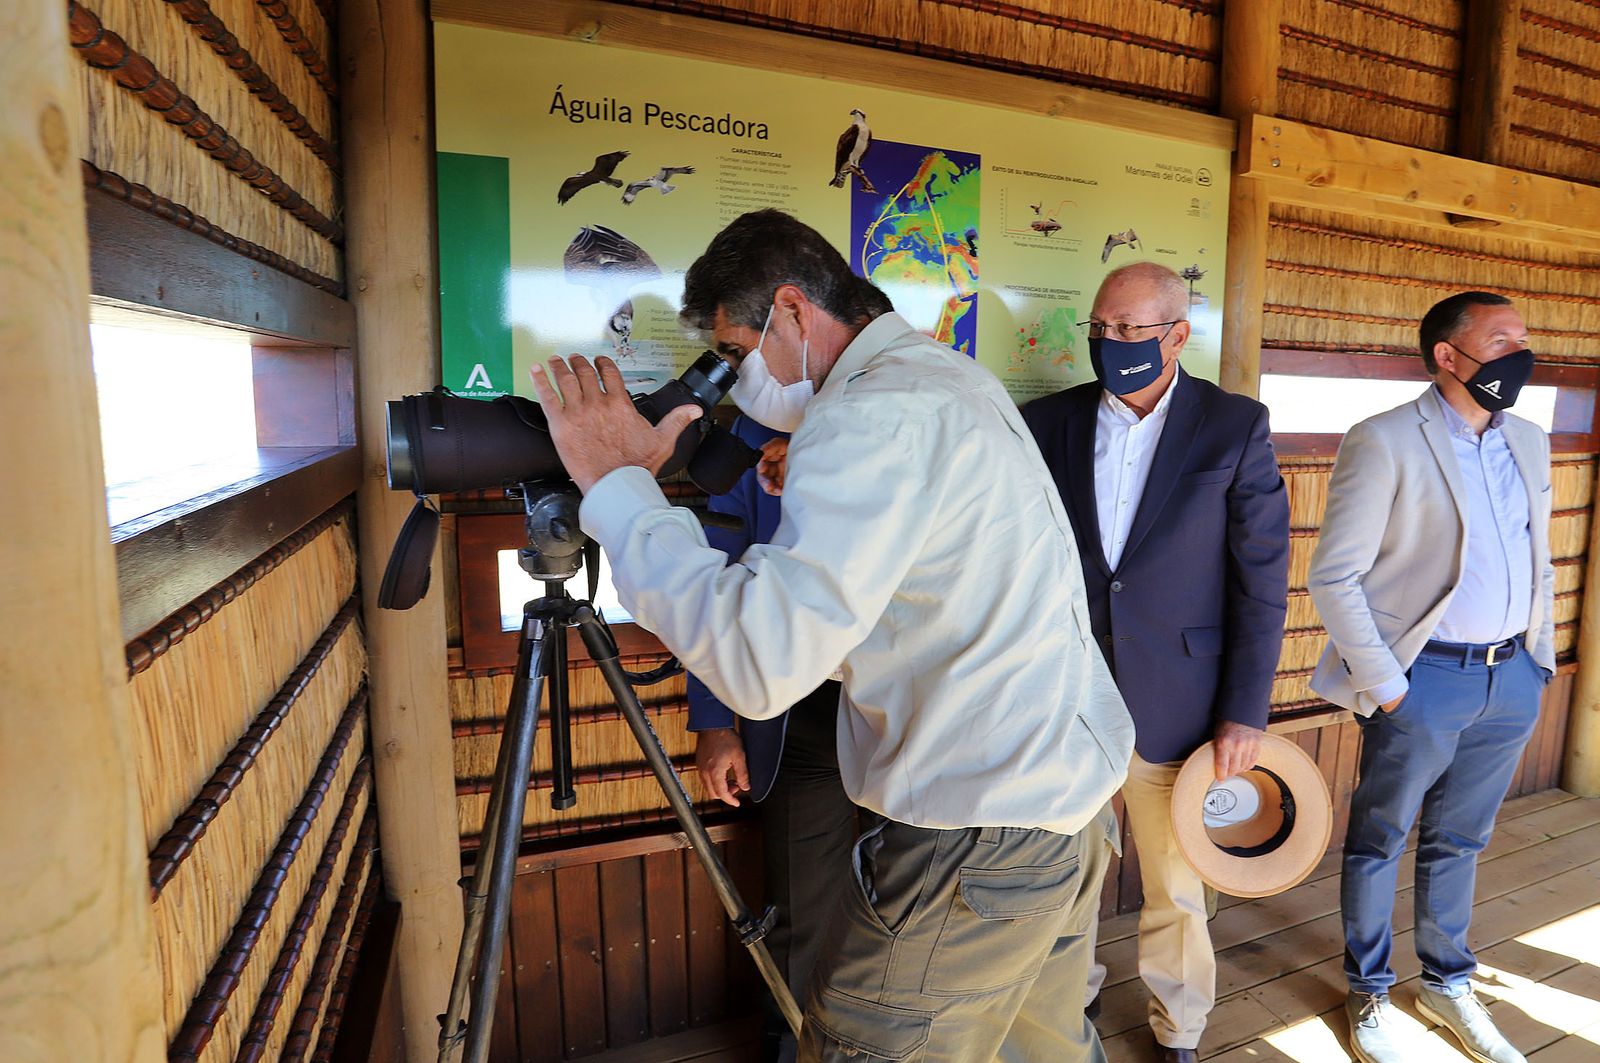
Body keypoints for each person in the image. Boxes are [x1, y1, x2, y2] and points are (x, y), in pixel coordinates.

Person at [529, 208, 1133, 1062]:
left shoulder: (870, 417)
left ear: (791, 311)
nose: (737, 383)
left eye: (736, 354)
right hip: (1062, 816)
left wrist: (624, 490)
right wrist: (814, 453)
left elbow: (761, 662)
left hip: (975, 835)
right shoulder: (949, 381)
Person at [1022, 262, 1290, 1063]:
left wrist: (1244, 709)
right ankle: (1068, 1000)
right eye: (1100, 328)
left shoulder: (1233, 425)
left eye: (1130, 329)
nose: (1111, 343)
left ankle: (1180, 1026)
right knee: (1065, 874)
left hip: (1179, 702)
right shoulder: (1046, 423)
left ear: (1177, 334)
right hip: (1067, 699)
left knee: (1177, 883)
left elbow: (1263, 576)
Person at [1309, 292, 1553, 1063]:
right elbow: (1334, 574)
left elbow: (1534, 557)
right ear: (1448, 355)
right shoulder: (1383, 440)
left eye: (1523, 337)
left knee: (1461, 839)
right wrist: (1388, 684)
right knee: (1379, 839)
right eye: (1501, 339)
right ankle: (1370, 990)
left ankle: (1448, 981)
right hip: (1422, 681)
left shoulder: (1532, 440)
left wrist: (1536, 663)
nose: (1520, 350)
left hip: (1510, 676)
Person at [687, 414, 862, 1063]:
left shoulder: (894, 416)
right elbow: (712, 577)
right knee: (799, 902)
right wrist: (713, 720)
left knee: (905, 889)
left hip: (903, 704)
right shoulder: (746, 433)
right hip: (796, 709)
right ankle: (790, 1047)